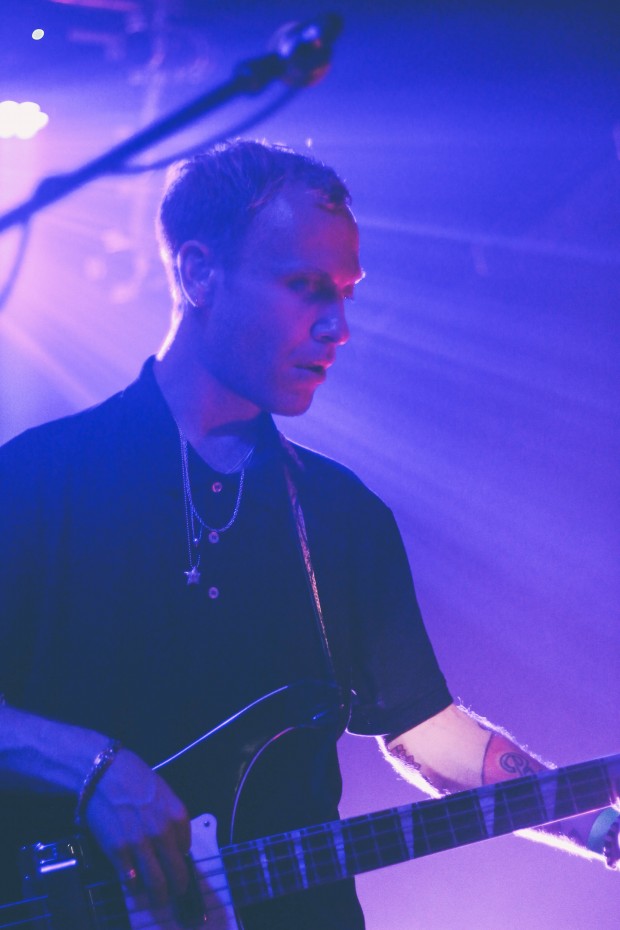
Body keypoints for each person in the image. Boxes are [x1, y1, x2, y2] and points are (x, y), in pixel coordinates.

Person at [0, 140, 617, 929]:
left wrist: (597, 821)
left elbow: (423, 729)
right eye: (305, 287)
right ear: (198, 274)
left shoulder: (339, 515)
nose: (338, 328)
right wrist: (96, 770)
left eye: (347, 294)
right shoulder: (39, 480)